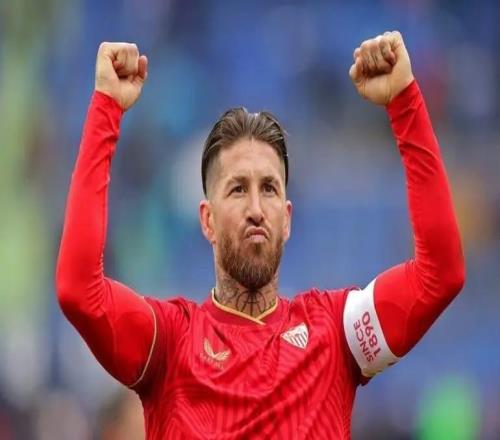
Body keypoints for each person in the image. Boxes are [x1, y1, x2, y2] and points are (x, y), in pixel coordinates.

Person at [56, 31, 465, 439]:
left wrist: (405, 102)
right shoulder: (168, 344)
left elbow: (439, 275)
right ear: (207, 220)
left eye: (268, 188)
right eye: (237, 189)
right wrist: (106, 108)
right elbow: (79, 291)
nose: (255, 208)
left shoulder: (337, 334)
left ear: (286, 219)